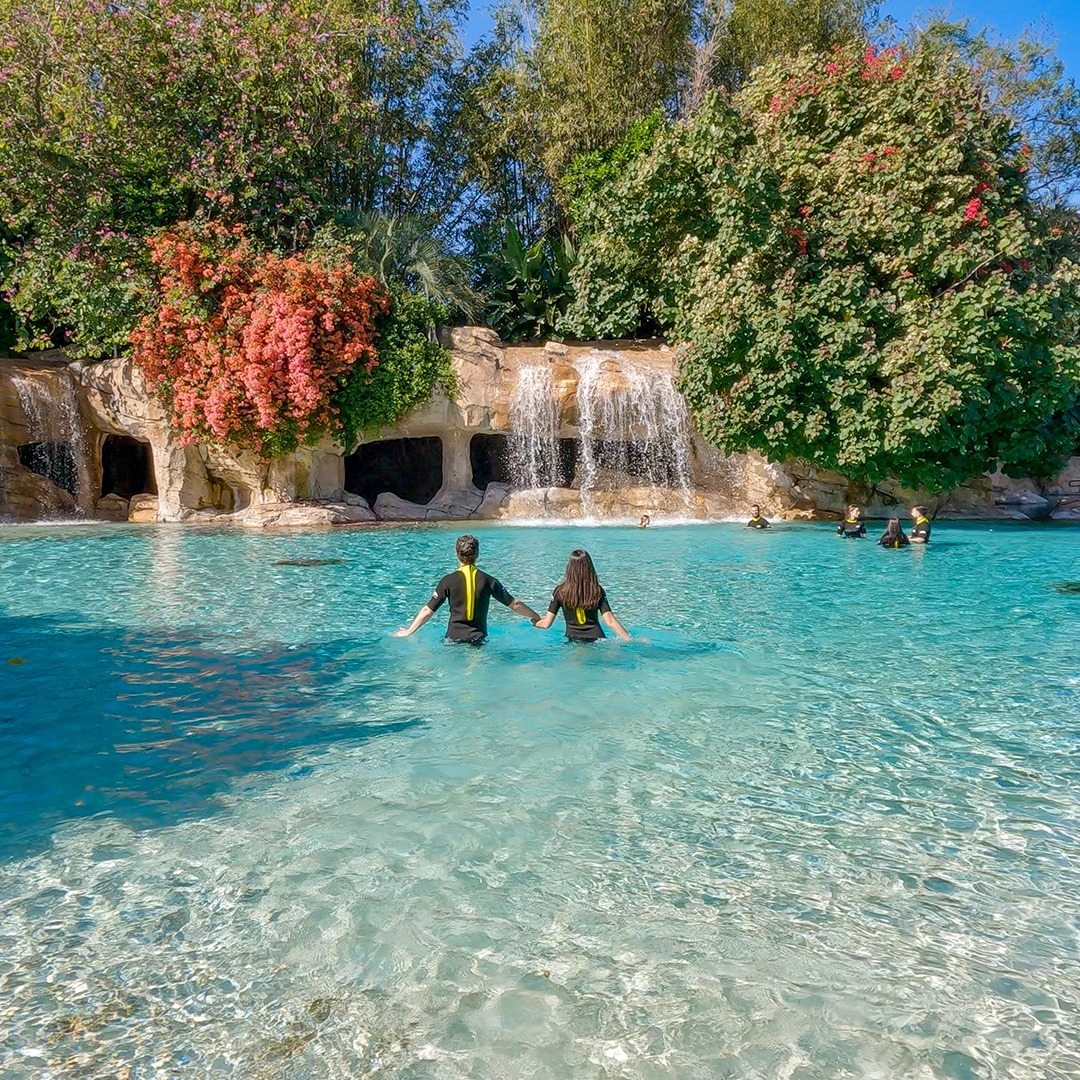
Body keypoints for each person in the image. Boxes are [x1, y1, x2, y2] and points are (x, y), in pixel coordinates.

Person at [393, 534, 541, 644]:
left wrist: (408, 631)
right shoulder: (489, 581)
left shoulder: (447, 581)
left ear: (456, 553)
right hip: (478, 640)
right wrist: (536, 617)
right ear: (477, 554)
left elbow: (428, 610)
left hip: (452, 640)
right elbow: (514, 604)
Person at [534, 549, 631, 642]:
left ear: (570, 567)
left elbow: (546, 624)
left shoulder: (559, 591)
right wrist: (629, 640)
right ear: (589, 567)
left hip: (573, 640)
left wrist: (535, 622)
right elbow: (610, 621)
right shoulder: (596, 590)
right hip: (597, 639)